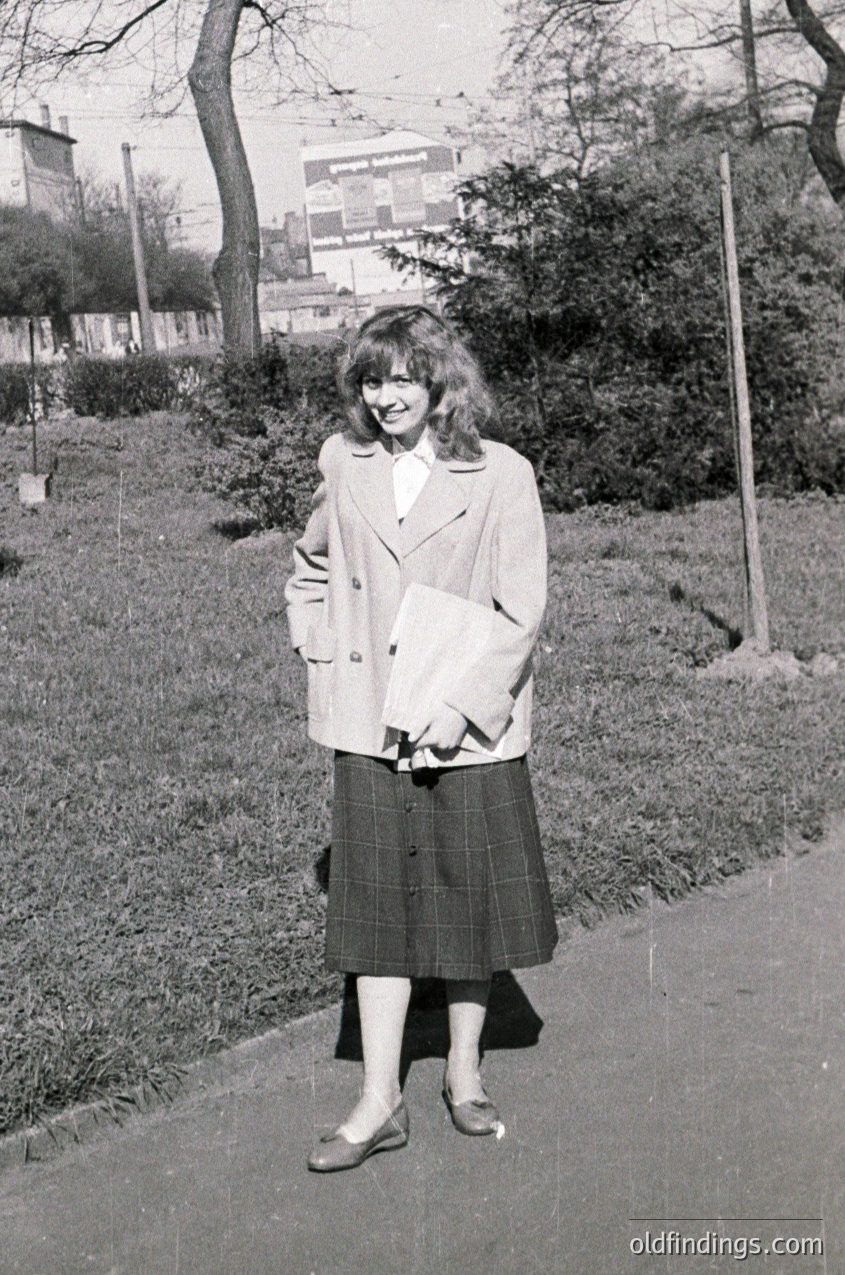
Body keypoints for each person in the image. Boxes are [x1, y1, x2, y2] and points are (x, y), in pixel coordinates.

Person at [285, 305, 557, 1172]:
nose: (386, 396)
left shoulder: (501, 473)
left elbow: (522, 610)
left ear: (440, 379)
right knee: (375, 913)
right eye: (371, 379)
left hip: (466, 725)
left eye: (403, 377)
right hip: (370, 720)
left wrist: (460, 706)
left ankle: (464, 1078)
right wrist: (325, 650)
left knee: (464, 896)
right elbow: (312, 564)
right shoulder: (344, 460)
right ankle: (378, 1100)